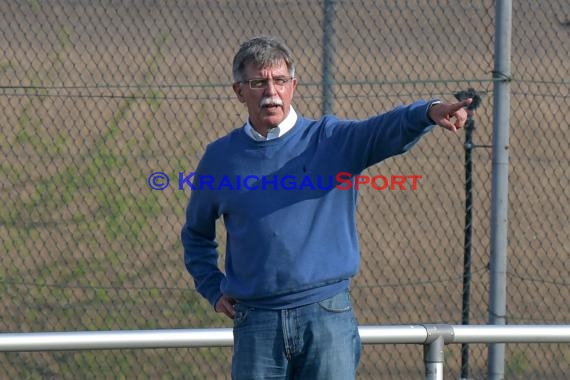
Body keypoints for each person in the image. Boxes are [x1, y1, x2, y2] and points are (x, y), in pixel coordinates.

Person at [181, 35, 471, 379]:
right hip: (256, 321)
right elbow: (197, 235)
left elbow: (384, 128)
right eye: (258, 82)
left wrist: (427, 112)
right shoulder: (220, 158)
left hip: (326, 315)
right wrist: (213, 289)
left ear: (293, 86)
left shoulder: (331, 140)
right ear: (239, 91)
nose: (270, 92)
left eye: (279, 80)